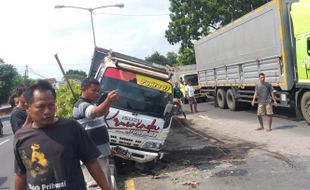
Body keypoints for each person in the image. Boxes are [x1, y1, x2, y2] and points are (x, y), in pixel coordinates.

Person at [14, 80, 109, 190]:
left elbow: (91, 162)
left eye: (51, 105)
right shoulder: (21, 137)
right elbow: (21, 174)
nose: (47, 111)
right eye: (40, 106)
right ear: (27, 108)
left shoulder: (72, 128)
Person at [72, 78, 118, 189]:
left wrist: (107, 148)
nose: (97, 93)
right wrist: (108, 101)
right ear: (84, 89)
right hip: (91, 157)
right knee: (95, 186)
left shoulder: (92, 104)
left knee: (105, 183)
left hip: (100, 154)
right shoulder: (81, 105)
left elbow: (102, 112)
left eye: (98, 91)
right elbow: (95, 112)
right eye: (94, 90)